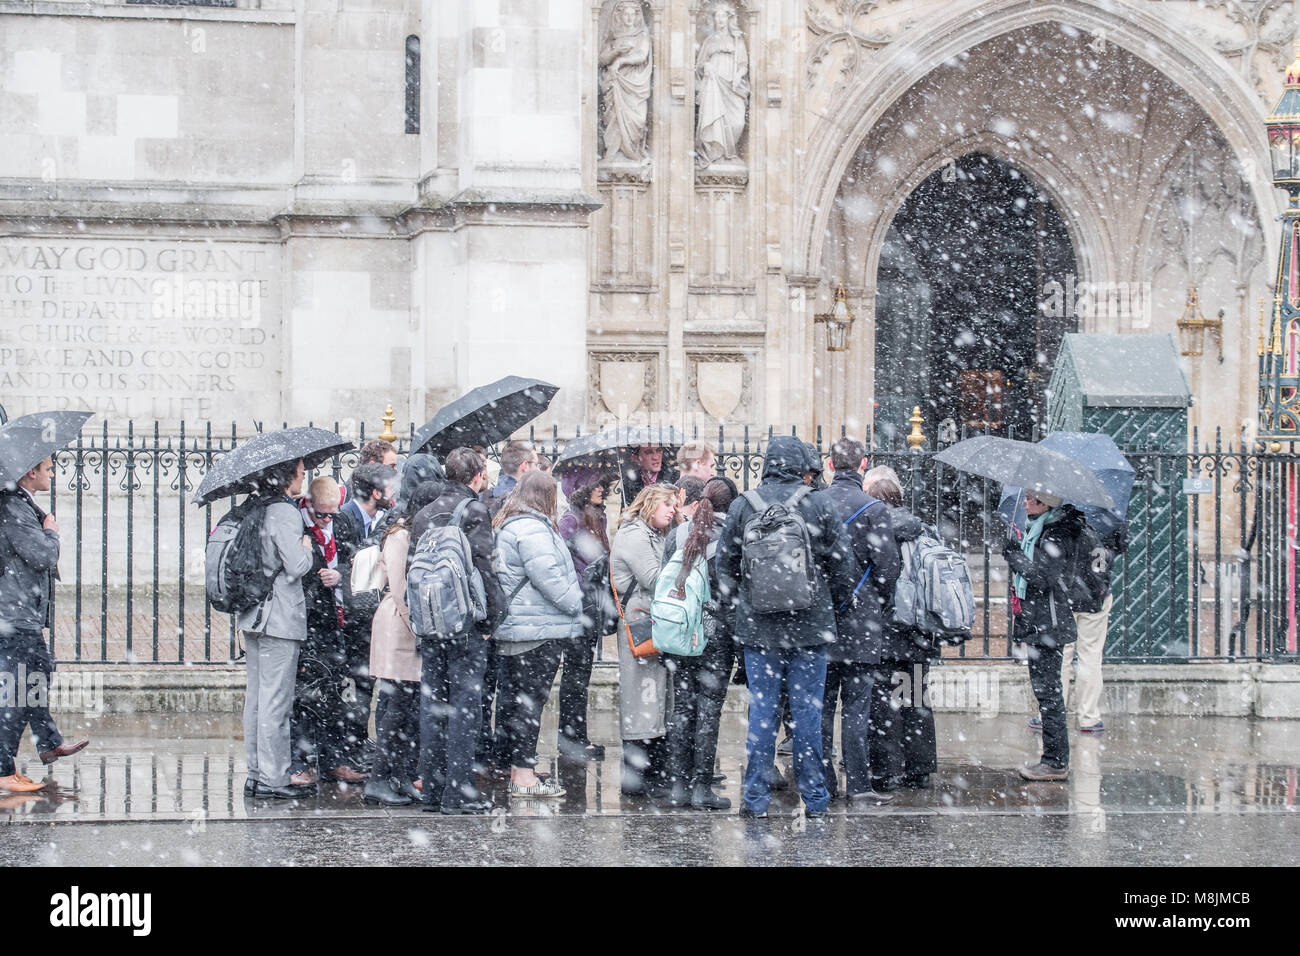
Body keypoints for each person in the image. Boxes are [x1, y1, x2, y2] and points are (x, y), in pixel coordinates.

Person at [715, 435, 857, 819]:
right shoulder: (819, 503)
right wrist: (834, 606)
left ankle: (755, 799)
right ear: (800, 465)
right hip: (810, 626)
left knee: (762, 713)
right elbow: (844, 568)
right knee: (808, 714)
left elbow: (723, 568)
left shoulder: (745, 505)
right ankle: (815, 799)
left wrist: (739, 611)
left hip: (759, 628)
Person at [411, 447, 504, 813]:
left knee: (433, 707)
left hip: (432, 625)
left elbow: (412, 573)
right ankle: (458, 792)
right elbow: (486, 568)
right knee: (466, 708)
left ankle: (432, 790)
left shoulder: (423, 514)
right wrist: (491, 621)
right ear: (477, 477)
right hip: (465, 625)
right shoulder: (474, 510)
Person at [492, 471, 585, 798]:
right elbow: (549, 576)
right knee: (530, 702)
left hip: (523, 625)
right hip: (537, 628)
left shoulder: (512, 524)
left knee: (518, 701)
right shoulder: (532, 528)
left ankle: (518, 765)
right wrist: (577, 603)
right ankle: (523, 774)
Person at [0, 456, 90, 794]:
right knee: (18, 691)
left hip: (20, 611)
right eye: (48, 468)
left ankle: (48, 743)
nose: (53, 474)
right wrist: (51, 534)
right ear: (30, 471)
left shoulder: (19, 502)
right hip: (13, 613)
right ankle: (2, 770)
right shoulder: (12, 505)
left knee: (36, 675)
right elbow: (41, 555)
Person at [822, 441, 901, 804]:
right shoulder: (874, 509)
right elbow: (888, 568)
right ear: (863, 465)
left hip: (820, 619)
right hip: (861, 621)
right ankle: (858, 785)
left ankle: (822, 782)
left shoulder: (815, 504)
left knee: (821, 706)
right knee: (857, 707)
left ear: (830, 464)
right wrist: (876, 604)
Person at [239, 458, 315, 799]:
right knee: (275, 702)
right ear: (287, 476)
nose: (303, 477)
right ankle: (273, 777)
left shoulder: (256, 506)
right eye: (300, 472)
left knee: (256, 699)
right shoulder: (284, 512)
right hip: (279, 616)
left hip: (255, 613)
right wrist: (307, 548)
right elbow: (296, 565)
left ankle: (256, 772)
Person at [660, 476, 738, 810]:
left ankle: (678, 785)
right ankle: (701, 787)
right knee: (709, 710)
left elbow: (665, 579)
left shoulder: (678, 533)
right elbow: (733, 591)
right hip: (714, 633)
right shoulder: (730, 538)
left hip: (680, 631)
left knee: (682, 706)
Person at [363, 479, 443, 806]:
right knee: (396, 709)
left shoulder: (416, 533)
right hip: (399, 628)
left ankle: (401, 776)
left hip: (410, 629)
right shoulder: (400, 536)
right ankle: (378, 780)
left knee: (408, 710)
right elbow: (399, 589)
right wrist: (421, 625)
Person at [1001, 490, 1086, 781]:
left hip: (1048, 625)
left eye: (1031, 499)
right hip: (1040, 623)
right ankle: (1053, 759)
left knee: (1049, 694)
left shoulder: (1055, 533)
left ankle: (1055, 761)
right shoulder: (1039, 530)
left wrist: (1015, 556)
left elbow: (1043, 577)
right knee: (1046, 692)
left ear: (1046, 504)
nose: (1025, 503)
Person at [863, 467, 938, 792]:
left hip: (884, 628)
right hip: (919, 627)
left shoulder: (875, 531)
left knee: (882, 701)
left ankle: (886, 770)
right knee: (915, 697)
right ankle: (919, 768)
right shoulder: (924, 530)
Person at [290, 476, 366, 786]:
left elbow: (356, 562)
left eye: (331, 514)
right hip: (312, 623)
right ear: (309, 506)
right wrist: (311, 565)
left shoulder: (341, 524)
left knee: (339, 695)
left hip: (340, 623)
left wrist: (341, 575)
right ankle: (301, 761)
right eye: (321, 514)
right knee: (306, 698)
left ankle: (335, 759)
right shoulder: (299, 528)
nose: (326, 520)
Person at [611, 483, 679, 797]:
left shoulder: (654, 533)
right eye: (668, 505)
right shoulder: (634, 535)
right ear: (651, 504)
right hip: (639, 624)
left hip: (652, 622)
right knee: (642, 699)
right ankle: (636, 776)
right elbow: (654, 578)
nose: (673, 511)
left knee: (654, 698)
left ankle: (652, 772)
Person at [336, 461, 397, 772]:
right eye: (389, 485)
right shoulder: (344, 518)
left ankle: (359, 738)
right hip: (350, 617)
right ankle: (348, 743)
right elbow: (345, 564)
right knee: (353, 684)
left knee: (367, 681)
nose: (394, 491)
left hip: (370, 614)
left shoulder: (384, 519)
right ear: (375, 492)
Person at [556, 466, 611, 760]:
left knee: (581, 674)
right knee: (575, 676)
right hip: (579, 607)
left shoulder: (597, 518)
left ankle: (578, 736)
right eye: (595, 485)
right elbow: (564, 564)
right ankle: (570, 738)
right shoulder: (570, 520)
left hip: (592, 605)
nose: (601, 489)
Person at [1058, 525, 1122, 734]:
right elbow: (1120, 545)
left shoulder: (1059, 511)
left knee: (1060, 656)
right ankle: (1089, 717)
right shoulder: (1108, 513)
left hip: (1063, 595)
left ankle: (1050, 714)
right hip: (1096, 592)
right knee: (1090, 655)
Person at [694, 0, 749, 168]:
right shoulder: (709, 41)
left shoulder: (737, 40)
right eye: (717, 16)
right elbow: (700, 65)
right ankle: (715, 154)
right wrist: (707, 67)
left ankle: (729, 153)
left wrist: (738, 76)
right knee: (714, 118)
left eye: (723, 16)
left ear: (728, 18)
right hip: (714, 84)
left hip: (732, 84)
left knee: (737, 121)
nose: (720, 20)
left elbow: (743, 64)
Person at [599, 0, 652, 163]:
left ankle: (633, 150)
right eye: (626, 14)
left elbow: (642, 55)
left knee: (638, 118)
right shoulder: (614, 37)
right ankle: (614, 152)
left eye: (632, 14)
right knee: (614, 117)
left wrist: (621, 61)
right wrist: (615, 51)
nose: (629, 18)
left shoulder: (642, 35)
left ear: (636, 16)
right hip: (616, 82)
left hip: (635, 83)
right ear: (620, 16)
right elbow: (602, 59)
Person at [486, 441, 540, 519]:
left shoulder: (487, 494)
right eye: (536, 464)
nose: (538, 470)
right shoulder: (522, 502)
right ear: (524, 466)